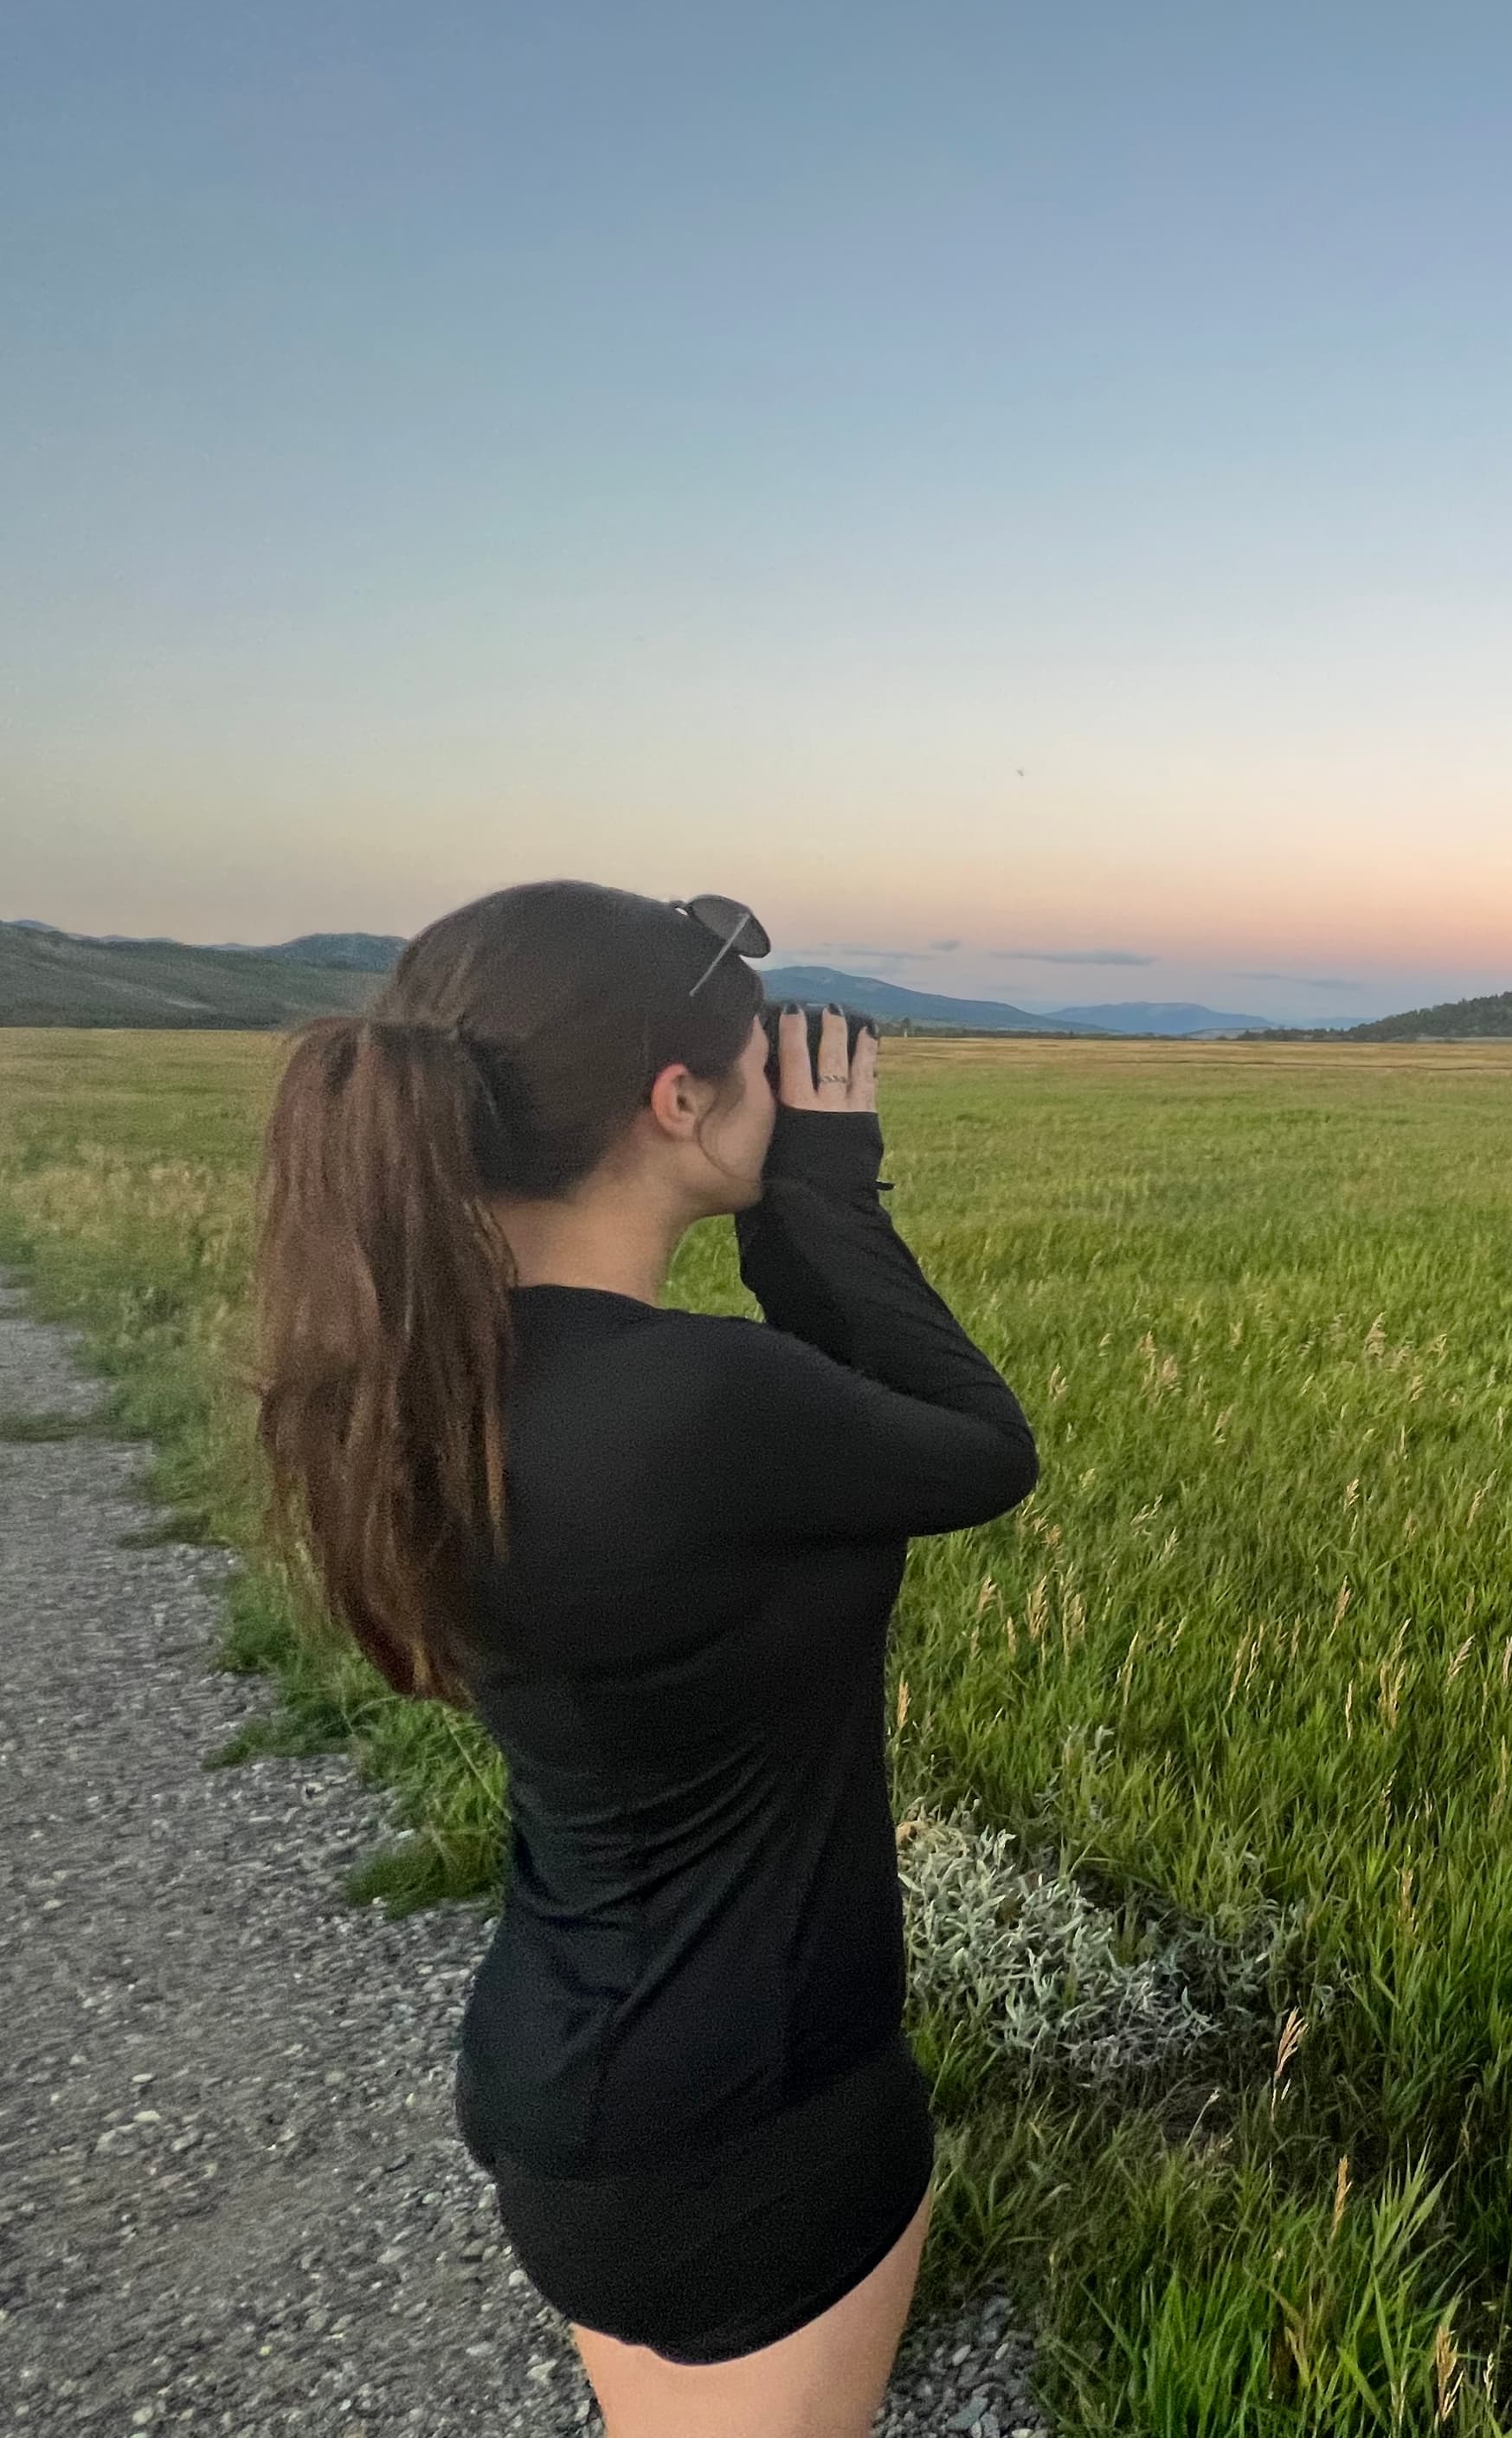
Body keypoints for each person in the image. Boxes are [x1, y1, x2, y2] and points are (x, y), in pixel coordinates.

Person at [247, 879, 1037, 2435]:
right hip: (755, 2121)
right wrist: (831, 1195)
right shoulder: (696, 1403)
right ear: (679, 1101)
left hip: (577, 2072)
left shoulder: (426, 1378)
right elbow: (980, 1452)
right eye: (757, 1073)